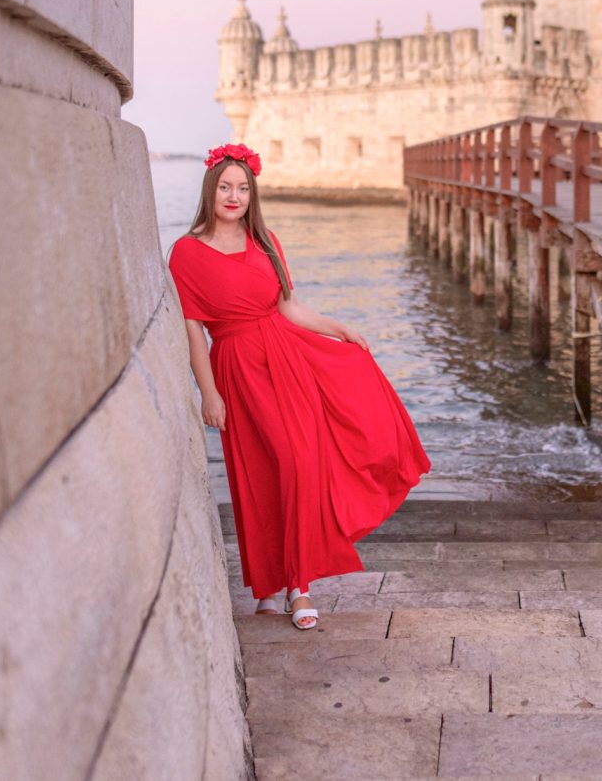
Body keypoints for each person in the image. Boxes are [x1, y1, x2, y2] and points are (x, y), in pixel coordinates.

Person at [168, 142, 430, 629]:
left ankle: (296, 584)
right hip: (238, 365)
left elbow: (289, 307)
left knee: (301, 461)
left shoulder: (266, 241)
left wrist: (337, 327)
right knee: (264, 470)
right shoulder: (186, 253)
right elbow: (192, 330)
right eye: (225, 187)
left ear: (252, 194)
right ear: (210, 190)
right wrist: (208, 392)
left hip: (287, 355)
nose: (234, 196)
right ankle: (271, 582)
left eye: (243, 188)